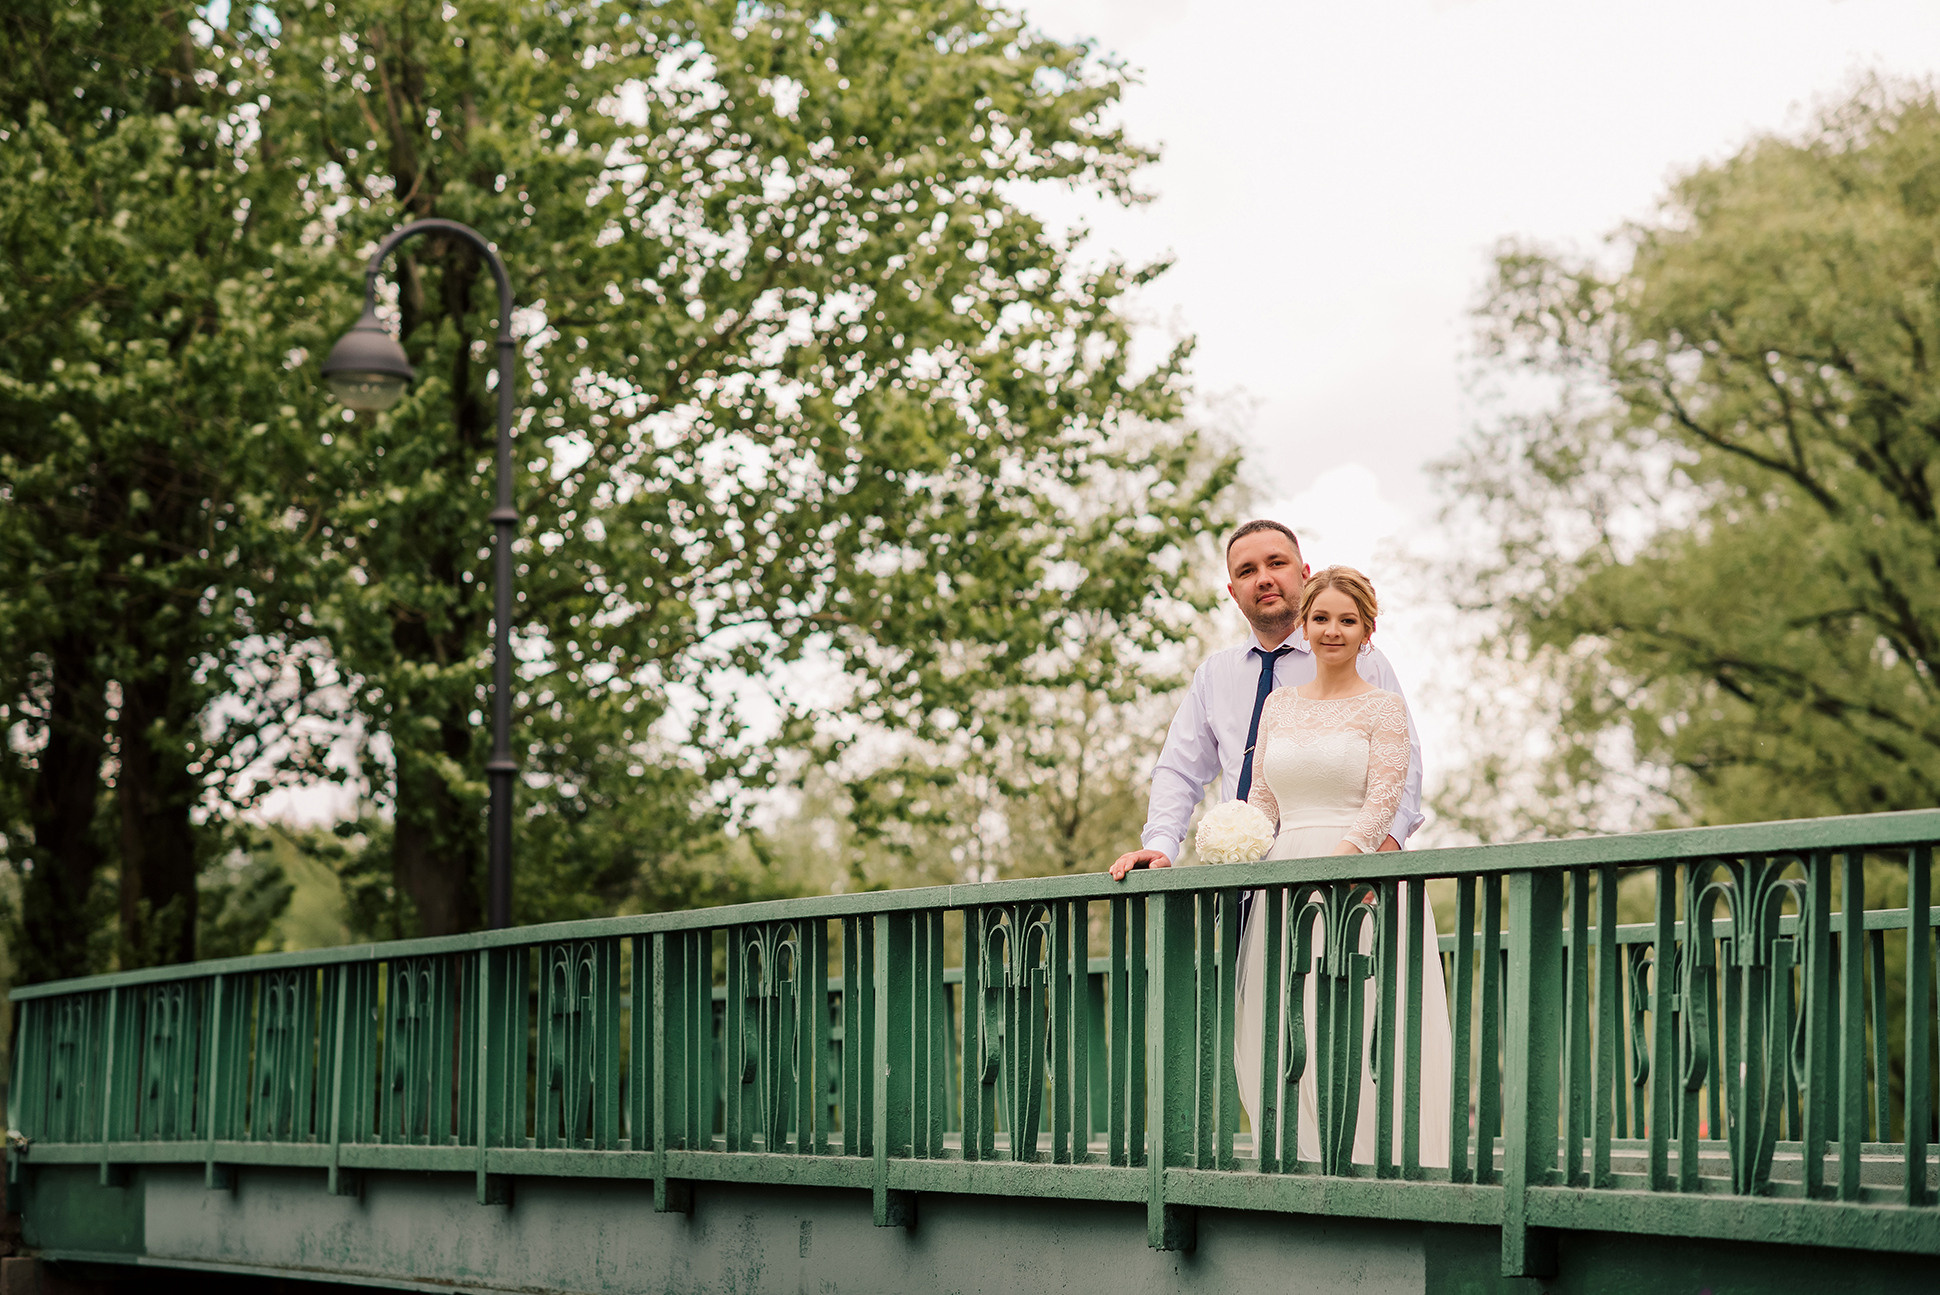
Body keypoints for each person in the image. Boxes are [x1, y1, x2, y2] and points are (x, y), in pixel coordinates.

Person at [1107, 522, 1446, 1167]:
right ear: (1232, 589)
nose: (1265, 578)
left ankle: (1384, 1167)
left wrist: (1380, 852)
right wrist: (1162, 846)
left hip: (1358, 880)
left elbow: (1401, 775)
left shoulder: (1356, 656)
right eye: (1247, 570)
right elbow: (1182, 770)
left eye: (1278, 564)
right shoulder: (1217, 677)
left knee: (1358, 1029)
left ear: (1302, 570)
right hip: (1259, 883)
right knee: (1270, 1029)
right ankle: (1285, 1165)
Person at [1233, 565, 1452, 1168]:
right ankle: (1302, 1157)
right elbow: (1263, 799)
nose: (1333, 631)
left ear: (1367, 632)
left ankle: (1380, 1156)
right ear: (1304, 626)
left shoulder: (1383, 708)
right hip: (1285, 875)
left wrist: (1340, 866)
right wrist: (1239, 842)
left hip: (1358, 877)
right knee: (1291, 1014)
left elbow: (1384, 801)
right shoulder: (1278, 707)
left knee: (1364, 1014)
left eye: (1347, 621)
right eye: (1322, 618)